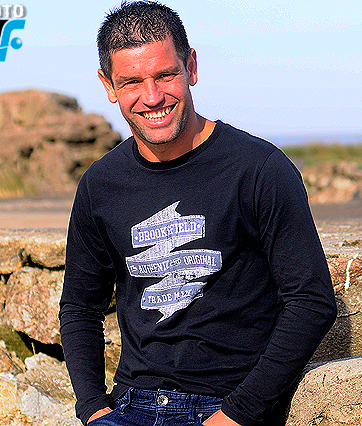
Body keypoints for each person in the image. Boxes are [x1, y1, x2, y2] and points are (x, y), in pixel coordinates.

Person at [58, 1, 338, 426]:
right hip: (129, 406)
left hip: (226, 407)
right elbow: (80, 306)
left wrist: (237, 414)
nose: (152, 97)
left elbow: (312, 301)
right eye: (131, 82)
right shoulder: (100, 184)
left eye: (165, 75)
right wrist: (93, 410)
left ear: (190, 67)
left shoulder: (259, 169)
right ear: (108, 85)